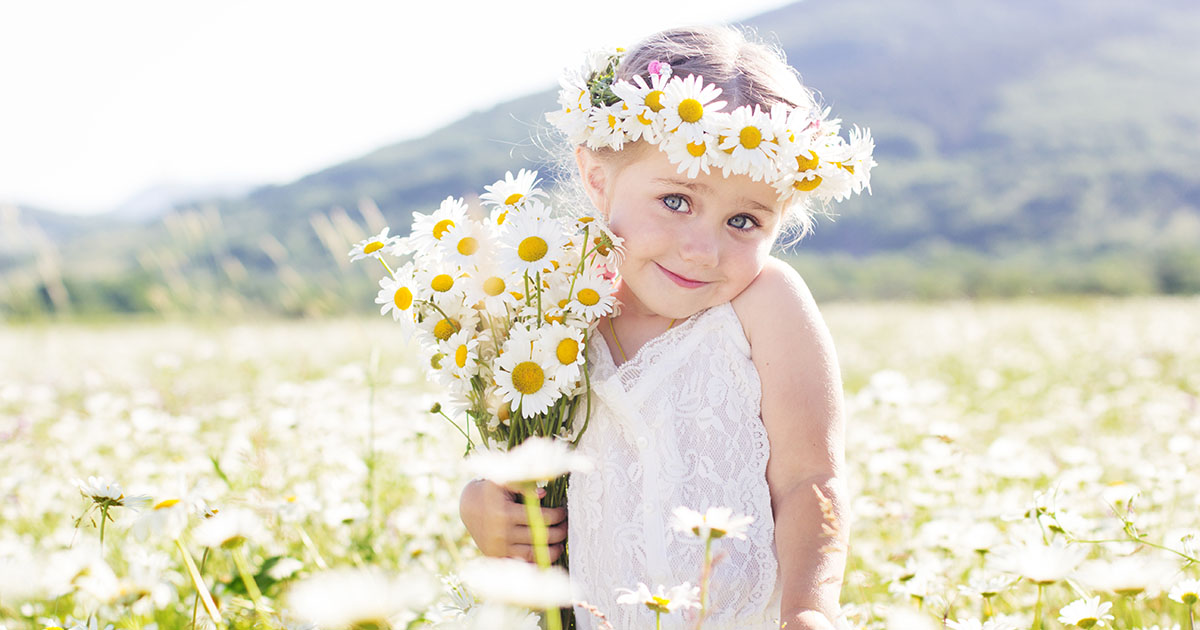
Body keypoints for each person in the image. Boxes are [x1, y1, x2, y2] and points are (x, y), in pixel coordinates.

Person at [459, 25, 873, 630]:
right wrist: (484, 506)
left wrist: (810, 608)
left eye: (744, 220)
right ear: (598, 179)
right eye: (677, 201)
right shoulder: (547, 308)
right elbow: (516, 455)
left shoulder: (765, 305)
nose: (703, 249)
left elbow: (812, 475)